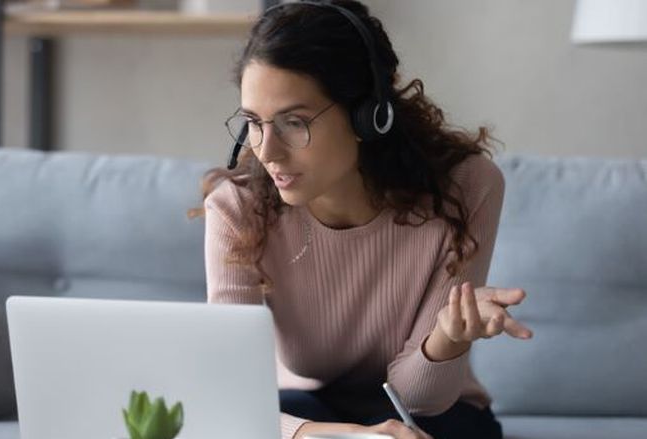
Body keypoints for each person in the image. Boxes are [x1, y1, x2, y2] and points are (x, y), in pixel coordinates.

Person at [196, 1, 533, 438]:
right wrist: (336, 436)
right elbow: (229, 399)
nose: (267, 150)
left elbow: (421, 400)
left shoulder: (466, 188)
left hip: (435, 413)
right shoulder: (236, 209)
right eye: (254, 123)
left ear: (369, 115)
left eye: (294, 122)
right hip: (304, 412)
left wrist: (447, 338)